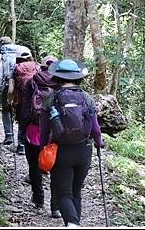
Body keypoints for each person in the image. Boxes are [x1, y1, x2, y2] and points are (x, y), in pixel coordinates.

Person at [40, 59, 105, 227]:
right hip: (84, 150)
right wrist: (99, 142)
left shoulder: (50, 99)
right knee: (76, 192)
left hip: (60, 151)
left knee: (64, 193)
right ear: (77, 77)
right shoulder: (86, 98)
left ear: (57, 77)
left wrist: (43, 152)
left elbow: (44, 131)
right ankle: (74, 223)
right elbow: (96, 128)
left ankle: (72, 223)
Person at [20, 55, 61, 216]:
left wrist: (22, 131)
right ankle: (55, 207)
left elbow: (25, 108)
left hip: (34, 129)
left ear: (41, 66)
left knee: (34, 165)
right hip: (54, 132)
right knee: (56, 168)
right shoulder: (60, 82)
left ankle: (38, 199)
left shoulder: (32, 81)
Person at [12, 45, 39, 155]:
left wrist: (12, 100)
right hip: (37, 100)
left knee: (22, 121)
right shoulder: (37, 67)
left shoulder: (16, 67)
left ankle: (21, 145)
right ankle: (36, 143)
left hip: (22, 100)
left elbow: (11, 88)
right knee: (34, 122)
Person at [0, 36, 18, 145]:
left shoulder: (1, 56)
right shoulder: (19, 52)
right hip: (22, 86)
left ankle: (9, 136)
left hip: (8, 85)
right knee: (20, 112)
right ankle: (21, 144)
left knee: (6, 109)